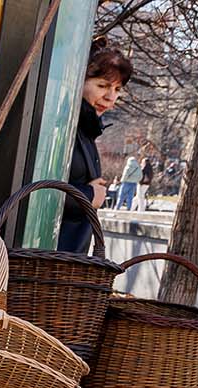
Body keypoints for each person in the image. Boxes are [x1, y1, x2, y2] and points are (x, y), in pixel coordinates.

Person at [61, 47, 132, 254]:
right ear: (78, 81)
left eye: (117, 89)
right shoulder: (63, 127)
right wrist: (90, 194)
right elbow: (36, 190)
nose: (111, 97)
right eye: (102, 85)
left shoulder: (86, 129)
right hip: (47, 257)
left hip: (64, 257)